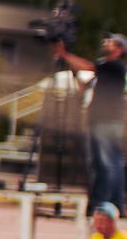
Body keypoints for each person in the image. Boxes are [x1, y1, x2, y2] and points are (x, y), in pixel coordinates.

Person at [54, 32, 127, 216]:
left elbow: (88, 66)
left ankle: (102, 203)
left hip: (106, 120)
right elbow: (84, 81)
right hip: (104, 119)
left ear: (120, 50)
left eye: (111, 42)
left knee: (106, 163)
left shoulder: (114, 65)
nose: (106, 43)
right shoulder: (108, 68)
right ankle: (114, 202)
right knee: (110, 161)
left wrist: (65, 55)